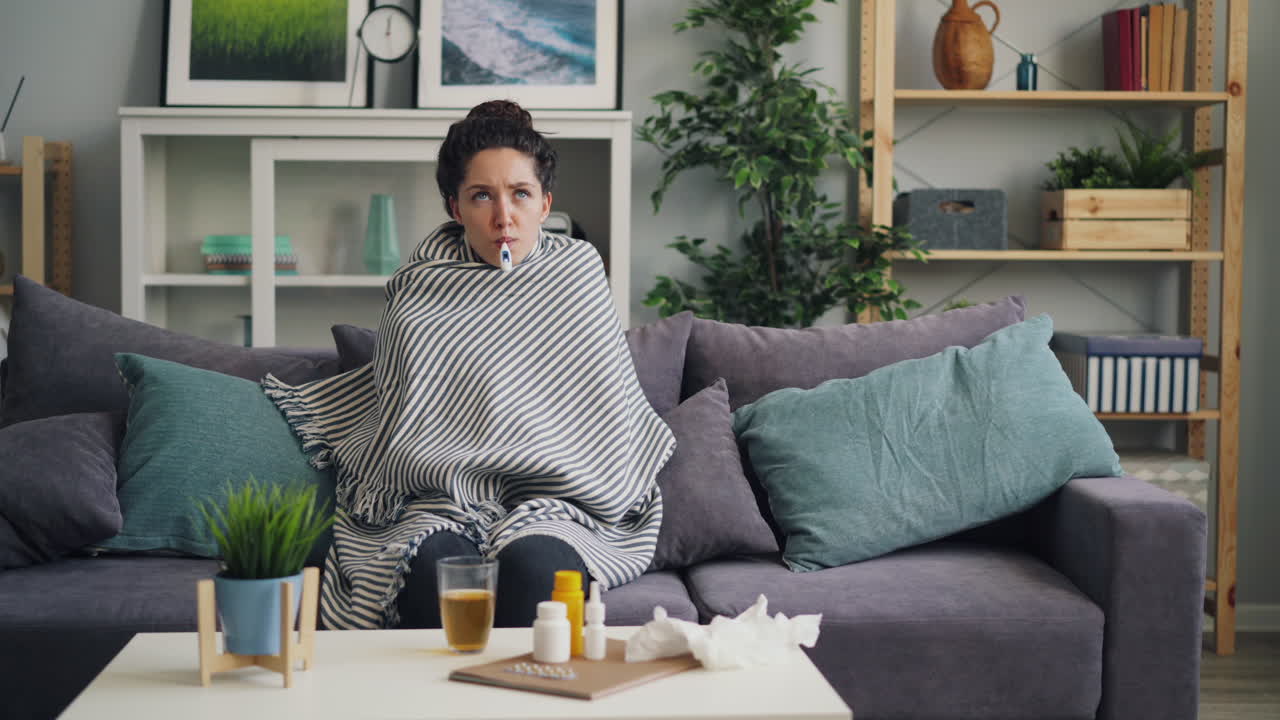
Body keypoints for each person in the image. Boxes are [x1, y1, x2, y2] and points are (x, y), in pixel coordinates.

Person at [264, 100, 674, 632]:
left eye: (520, 194)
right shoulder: (416, 289)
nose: (504, 217)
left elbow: (602, 410)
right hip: (438, 496)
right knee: (434, 568)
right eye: (482, 196)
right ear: (455, 208)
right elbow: (404, 420)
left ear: (545, 204)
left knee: (535, 571)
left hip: (557, 499)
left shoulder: (578, 274)